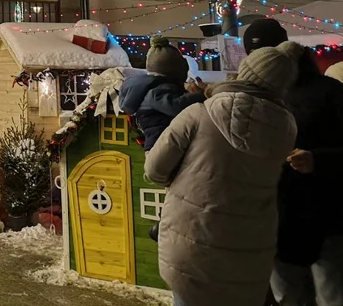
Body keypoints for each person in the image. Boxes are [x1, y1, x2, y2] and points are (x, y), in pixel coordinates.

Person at [145, 44, 298, 306]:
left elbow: (154, 170)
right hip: (249, 248)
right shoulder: (287, 127)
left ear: (244, 72)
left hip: (193, 243)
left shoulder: (198, 113)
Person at [270, 43, 343, 306]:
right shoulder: (332, 92)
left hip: (315, 213)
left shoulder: (330, 93)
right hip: (303, 214)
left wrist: (319, 160)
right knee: (329, 292)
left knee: (298, 293)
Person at [120, 36, 204, 241]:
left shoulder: (151, 88)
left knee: (177, 188)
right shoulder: (156, 91)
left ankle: (168, 222)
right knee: (179, 187)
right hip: (162, 146)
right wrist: (199, 95)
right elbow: (176, 107)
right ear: (173, 73)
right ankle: (166, 224)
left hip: (162, 144)